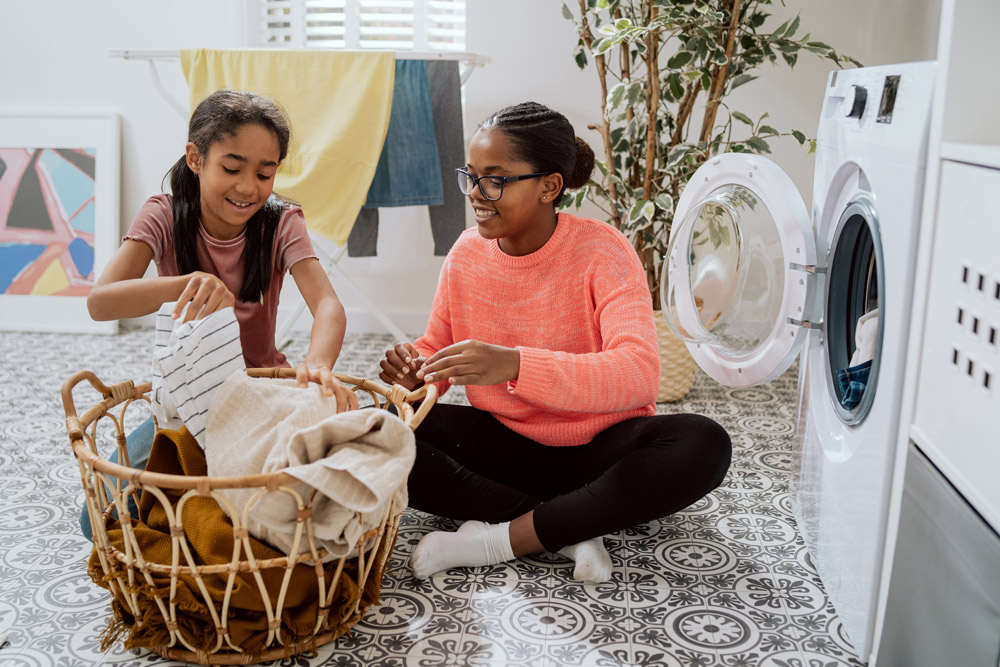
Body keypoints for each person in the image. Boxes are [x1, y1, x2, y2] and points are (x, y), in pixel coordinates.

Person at [379, 101, 732, 583]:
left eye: (496, 180)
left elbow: (639, 373)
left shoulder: (602, 250)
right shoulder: (466, 252)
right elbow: (435, 346)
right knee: (374, 430)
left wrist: (515, 365)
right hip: (505, 445)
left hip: (598, 451)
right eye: (471, 176)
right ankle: (568, 528)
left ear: (549, 186)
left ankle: (496, 541)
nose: (477, 194)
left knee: (702, 442)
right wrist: (416, 374)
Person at [81, 89, 358, 539]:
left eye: (265, 173)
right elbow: (101, 302)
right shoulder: (164, 214)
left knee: (298, 508)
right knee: (99, 518)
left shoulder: (281, 221)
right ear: (195, 158)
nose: (248, 187)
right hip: (186, 404)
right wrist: (185, 284)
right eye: (232, 168)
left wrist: (320, 365)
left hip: (264, 396)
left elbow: (327, 305)